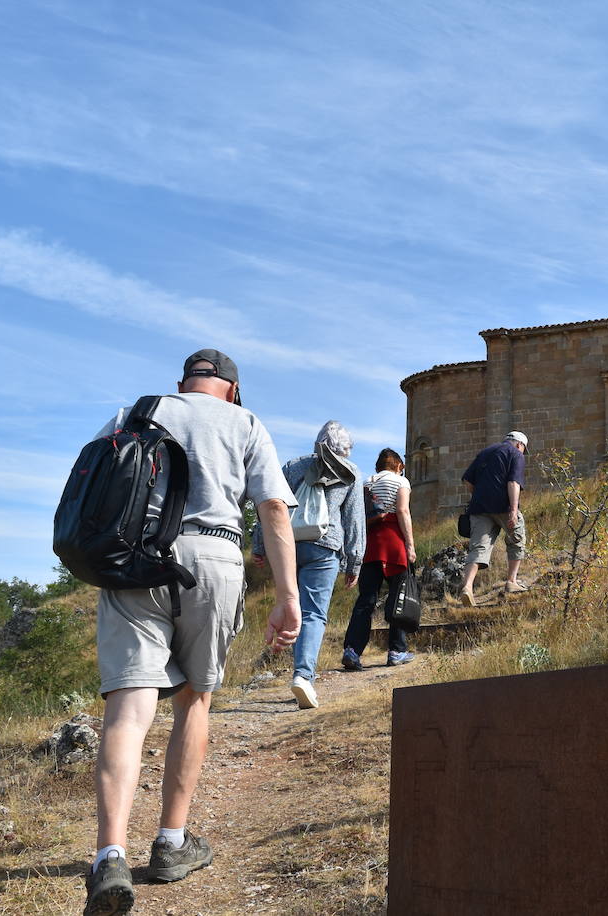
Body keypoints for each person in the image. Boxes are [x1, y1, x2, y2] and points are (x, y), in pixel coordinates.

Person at [84, 349, 300, 916]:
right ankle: (171, 844)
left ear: (183, 383)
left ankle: (109, 854)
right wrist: (287, 596)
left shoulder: (141, 409)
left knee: (127, 712)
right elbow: (274, 510)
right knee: (194, 701)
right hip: (213, 559)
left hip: (134, 562)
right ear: (231, 388)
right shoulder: (245, 422)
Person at [252, 421, 365, 710]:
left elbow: (270, 503)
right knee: (313, 613)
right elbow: (354, 521)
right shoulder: (350, 473)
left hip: (287, 544)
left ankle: (287, 659)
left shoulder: (294, 466)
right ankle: (303, 676)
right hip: (325, 546)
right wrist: (355, 561)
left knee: (289, 603)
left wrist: (260, 544)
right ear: (347, 448)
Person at [340, 448, 420, 669]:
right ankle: (396, 651)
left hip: (370, 546)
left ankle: (352, 650)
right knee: (399, 599)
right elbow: (403, 511)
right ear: (397, 465)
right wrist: (410, 546)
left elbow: (357, 516)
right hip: (394, 543)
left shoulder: (367, 482)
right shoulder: (400, 482)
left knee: (366, 600)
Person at [458, 431, 530, 606]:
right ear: (519, 445)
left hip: (479, 508)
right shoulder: (515, 454)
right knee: (516, 539)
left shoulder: (485, 452)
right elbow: (513, 483)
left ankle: (467, 587)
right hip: (503, 506)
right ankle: (511, 582)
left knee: (477, 548)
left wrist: (479, 496)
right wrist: (513, 510)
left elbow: (468, 480)